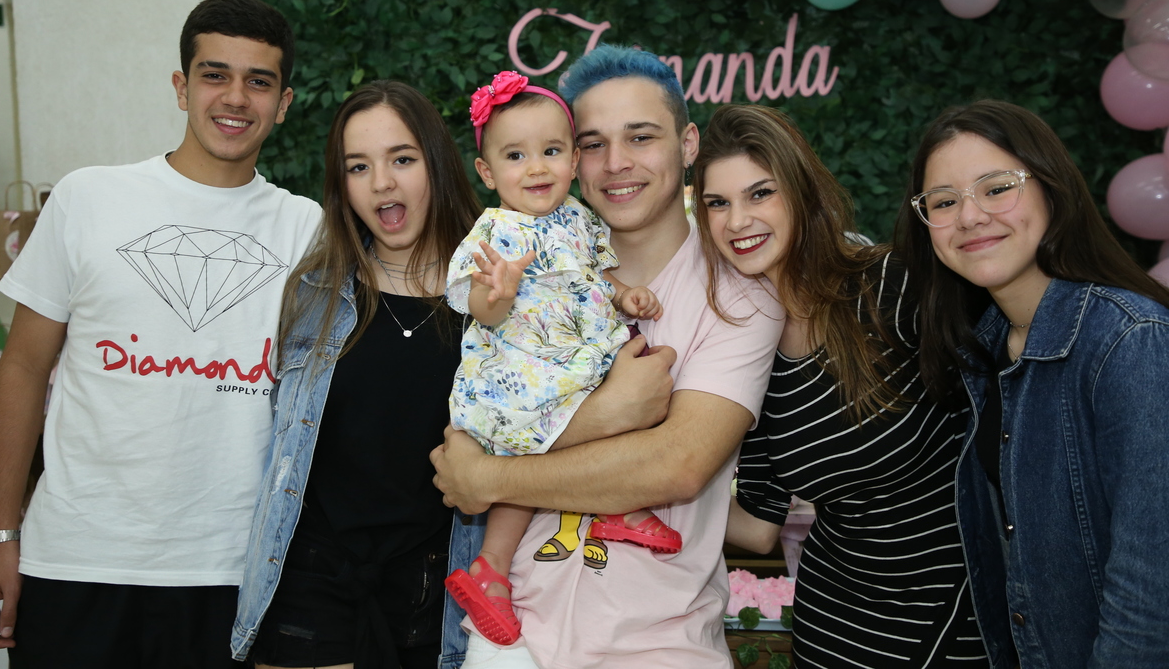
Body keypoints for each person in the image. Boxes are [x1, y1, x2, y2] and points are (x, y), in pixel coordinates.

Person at [0, 0, 322, 667]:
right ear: (181, 87)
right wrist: (1, 539)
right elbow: (23, 368)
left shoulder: (308, 228)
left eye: (259, 81)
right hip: (75, 560)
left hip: (233, 572)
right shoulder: (87, 199)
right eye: (215, 75)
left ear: (284, 103)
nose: (235, 97)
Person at [431, 45, 782, 668]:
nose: (616, 163)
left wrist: (487, 478)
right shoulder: (523, 263)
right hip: (513, 633)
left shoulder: (738, 295)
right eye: (593, 143)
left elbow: (676, 465)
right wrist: (606, 417)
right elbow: (482, 406)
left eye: (641, 137)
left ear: (688, 144)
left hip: (658, 643)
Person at [695, 104, 988, 666]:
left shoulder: (889, 288)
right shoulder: (747, 349)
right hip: (831, 627)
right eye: (718, 203)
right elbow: (758, 526)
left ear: (802, 192)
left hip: (950, 618)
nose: (737, 221)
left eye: (761, 193)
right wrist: (638, 489)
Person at [896, 99, 1169, 668]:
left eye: (997, 188)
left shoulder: (1130, 341)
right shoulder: (983, 349)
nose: (970, 216)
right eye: (943, 201)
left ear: (1051, 189)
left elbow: (1150, 591)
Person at [230, 80, 484, 668]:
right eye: (358, 166)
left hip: (441, 590)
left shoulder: (493, 296)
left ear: (437, 164)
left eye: (402, 159)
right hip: (314, 585)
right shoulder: (314, 293)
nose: (382, 183)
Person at [442, 70, 674, 647]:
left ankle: (617, 505)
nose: (536, 168)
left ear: (573, 160)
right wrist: (496, 294)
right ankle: (492, 567)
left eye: (550, 151)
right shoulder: (496, 231)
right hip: (525, 376)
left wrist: (625, 295)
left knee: (635, 389)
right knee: (529, 460)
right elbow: (476, 304)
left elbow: (596, 273)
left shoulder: (578, 217)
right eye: (515, 156)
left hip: (580, 361)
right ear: (488, 173)